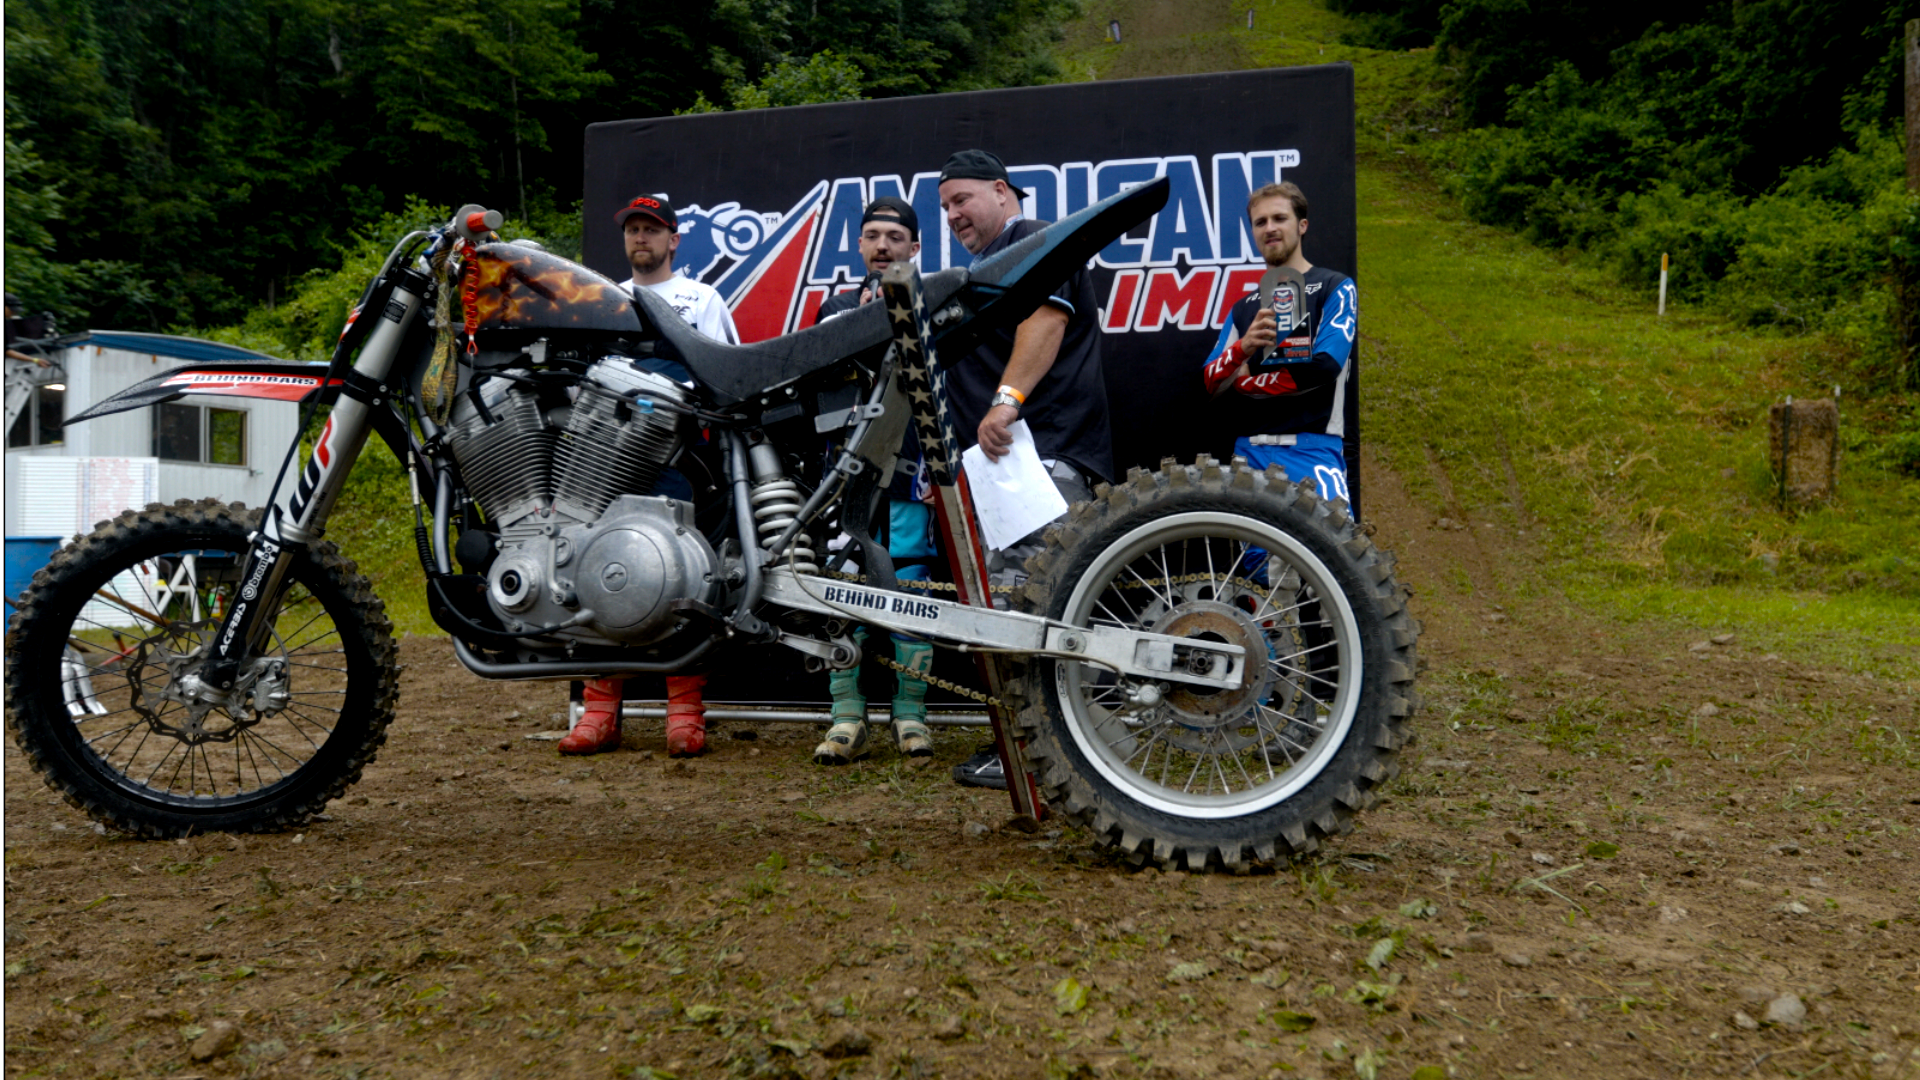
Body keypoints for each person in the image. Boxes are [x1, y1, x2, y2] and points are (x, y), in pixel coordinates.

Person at [935, 150, 1114, 789]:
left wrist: (1005, 403)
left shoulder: (1033, 239)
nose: (953, 213)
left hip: (1039, 460)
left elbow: (1046, 318)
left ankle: (1043, 756)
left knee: (1030, 606)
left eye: (963, 198)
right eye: (945, 205)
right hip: (1002, 467)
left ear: (1003, 192)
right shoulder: (982, 266)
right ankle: (1034, 748)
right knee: (1019, 605)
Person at [558, 193, 742, 758]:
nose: (642, 238)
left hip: (680, 459)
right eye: (633, 229)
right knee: (599, 564)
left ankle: (684, 713)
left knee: (686, 576)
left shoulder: (700, 297)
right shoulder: (604, 300)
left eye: (652, 229)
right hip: (606, 458)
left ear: (674, 240)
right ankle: (599, 712)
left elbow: (729, 375)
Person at [809, 197, 940, 765]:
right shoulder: (835, 306)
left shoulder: (935, 301)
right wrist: (860, 322)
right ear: (860, 247)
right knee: (844, 590)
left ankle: (911, 716)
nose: (882, 245)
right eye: (872, 236)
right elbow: (813, 380)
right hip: (846, 475)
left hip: (911, 473)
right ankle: (846, 718)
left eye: (894, 236)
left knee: (909, 590)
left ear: (915, 247)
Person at [1201, 182, 1357, 503]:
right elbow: (1210, 382)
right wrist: (1242, 348)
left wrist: (1246, 384)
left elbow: (1325, 366)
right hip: (1249, 455)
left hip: (1312, 451)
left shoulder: (1335, 286)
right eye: (1260, 222)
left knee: (1327, 552)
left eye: (1279, 218)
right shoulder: (1244, 307)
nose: (1269, 228)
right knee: (1255, 556)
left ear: (1302, 226)